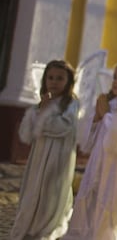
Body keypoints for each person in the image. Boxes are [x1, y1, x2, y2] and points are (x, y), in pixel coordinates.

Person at [63, 61, 117, 240]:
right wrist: (96, 117)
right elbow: (90, 140)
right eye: (114, 77)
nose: (115, 81)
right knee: (91, 202)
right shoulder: (109, 102)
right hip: (98, 164)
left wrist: (107, 114)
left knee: (110, 207)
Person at [10, 60, 79, 240]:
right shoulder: (43, 102)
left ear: (69, 81)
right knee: (34, 191)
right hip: (39, 158)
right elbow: (28, 134)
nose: (54, 82)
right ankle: (29, 226)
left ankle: (45, 230)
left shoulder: (71, 104)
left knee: (51, 194)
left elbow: (62, 127)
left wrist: (46, 113)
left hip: (58, 158)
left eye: (59, 78)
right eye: (50, 78)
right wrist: (39, 111)